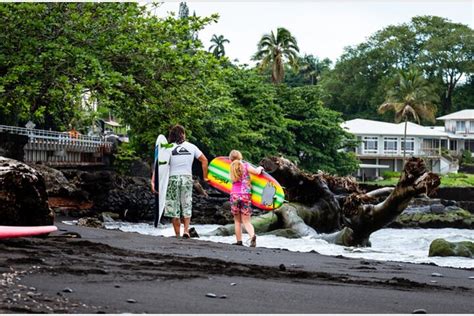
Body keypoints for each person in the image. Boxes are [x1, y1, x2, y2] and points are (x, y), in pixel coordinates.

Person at [153, 124, 208, 238]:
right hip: (187, 179)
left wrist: (154, 181)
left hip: (172, 179)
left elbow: (159, 166)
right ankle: (186, 230)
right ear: (182, 134)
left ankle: (177, 234)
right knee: (187, 204)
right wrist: (205, 177)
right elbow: (204, 160)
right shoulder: (192, 147)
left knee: (174, 208)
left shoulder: (167, 148)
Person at [228, 150, 264, 247]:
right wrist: (260, 167)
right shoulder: (246, 166)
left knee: (237, 221)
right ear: (241, 157)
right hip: (245, 195)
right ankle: (252, 236)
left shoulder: (231, 167)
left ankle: (239, 241)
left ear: (230, 159)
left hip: (235, 195)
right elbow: (257, 172)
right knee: (246, 221)